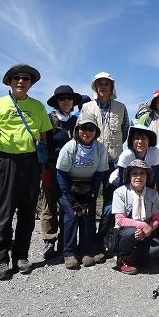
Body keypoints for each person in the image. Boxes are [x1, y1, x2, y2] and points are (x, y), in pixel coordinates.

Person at [0, 63, 52, 280]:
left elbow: (44, 135)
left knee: (28, 212)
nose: (21, 81)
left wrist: (43, 165)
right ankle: (0, 259)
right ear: (10, 82)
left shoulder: (37, 106)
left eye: (26, 78)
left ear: (31, 83)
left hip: (31, 162)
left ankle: (21, 256)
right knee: (4, 211)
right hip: (7, 161)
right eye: (17, 78)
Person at [81, 72, 129, 254]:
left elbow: (125, 131)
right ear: (95, 87)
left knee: (110, 202)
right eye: (99, 84)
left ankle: (103, 241)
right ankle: (88, 242)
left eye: (107, 84)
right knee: (90, 200)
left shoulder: (121, 107)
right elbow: (81, 131)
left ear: (112, 87)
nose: (103, 87)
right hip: (91, 161)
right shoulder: (87, 107)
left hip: (113, 162)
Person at [56, 113, 108, 269]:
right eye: (83, 128)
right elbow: (61, 175)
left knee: (87, 214)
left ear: (96, 131)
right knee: (72, 214)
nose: (87, 132)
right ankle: (69, 253)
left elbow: (99, 175)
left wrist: (90, 197)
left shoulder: (100, 149)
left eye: (91, 128)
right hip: (68, 188)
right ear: (77, 130)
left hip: (88, 189)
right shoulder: (69, 147)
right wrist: (72, 200)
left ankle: (86, 251)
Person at [39, 85, 84, 260]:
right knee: (49, 204)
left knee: (68, 204)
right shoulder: (49, 119)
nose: (66, 101)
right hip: (51, 167)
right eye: (62, 98)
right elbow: (42, 143)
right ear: (56, 101)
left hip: (70, 169)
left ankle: (65, 241)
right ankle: (49, 240)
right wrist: (43, 168)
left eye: (69, 98)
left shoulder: (77, 121)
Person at [112, 160, 159, 275]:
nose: (138, 177)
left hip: (146, 231)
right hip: (125, 231)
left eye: (142, 173)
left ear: (147, 176)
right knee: (132, 233)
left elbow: (156, 218)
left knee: (155, 252)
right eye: (135, 173)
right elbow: (120, 220)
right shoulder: (120, 192)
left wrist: (147, 230)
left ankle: (137, 255)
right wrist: (142, 226)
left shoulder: (153, 194)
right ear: (129, 176)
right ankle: (123, 259)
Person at [109, 124, 159, 189]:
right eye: (137, 138)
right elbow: (123, 182)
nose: (140, 142)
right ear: (132, 141)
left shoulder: (154, 152)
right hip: (117, 183)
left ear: (149, 141)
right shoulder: (126, 155)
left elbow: (153, 178)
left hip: (139, 183)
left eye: (143, 138)